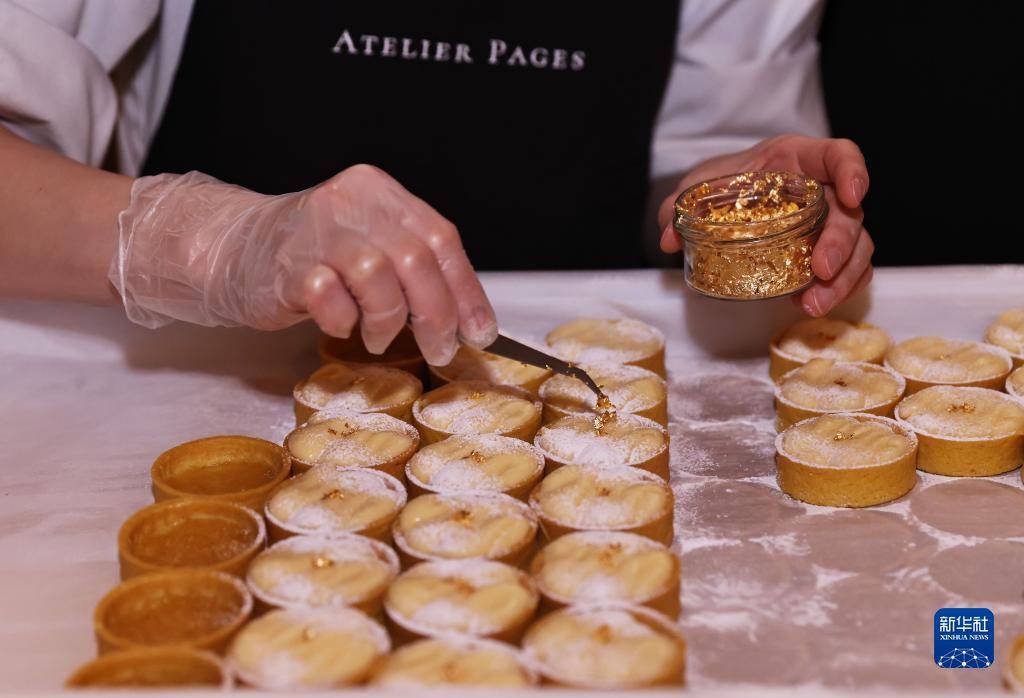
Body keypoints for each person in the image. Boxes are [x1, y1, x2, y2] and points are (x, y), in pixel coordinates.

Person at [0, 0, 873, 366]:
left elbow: (688, 150)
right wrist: (214, 244)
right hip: (186, 371)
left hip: (556, 356)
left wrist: (727, 203)